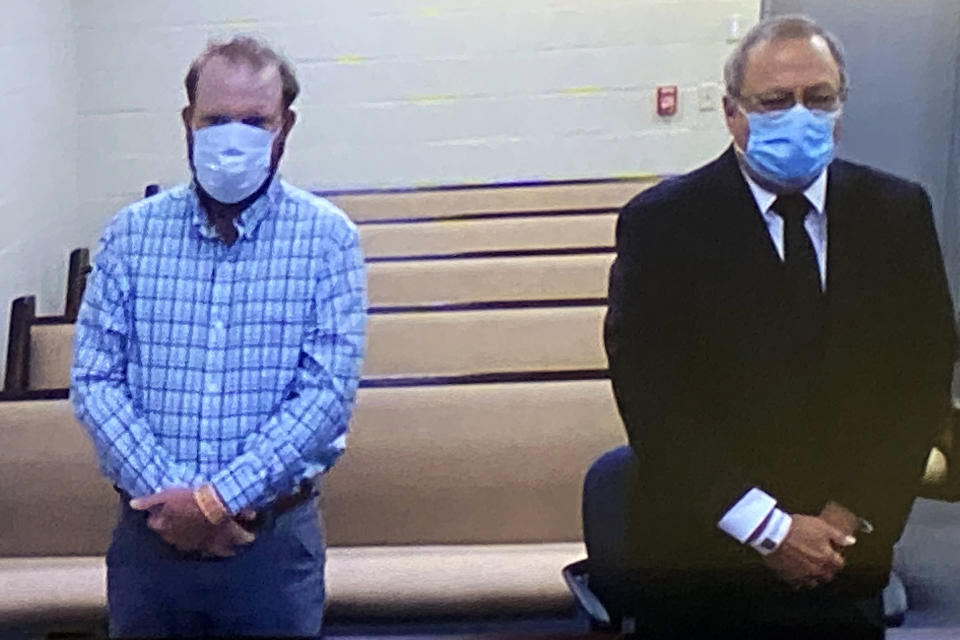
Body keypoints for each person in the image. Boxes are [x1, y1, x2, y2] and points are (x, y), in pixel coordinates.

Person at [604, 14, 957, 639]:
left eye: (818, 98)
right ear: (732, 112)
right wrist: (769, 529)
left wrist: (849, 515)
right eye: (775, 101)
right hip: (705, 560)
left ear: (840, 108)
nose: (800, 115)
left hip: (845, 556)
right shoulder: (662, 225)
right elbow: (653, 397)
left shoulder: (897, 213)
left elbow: (920, 377)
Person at [71, 36, 367, 638]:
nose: (235, 137)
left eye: (255, 121)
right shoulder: (130, 235)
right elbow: (96, 379)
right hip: (148, 545)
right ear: (188, 121)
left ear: (285, 126)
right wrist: (171, 503)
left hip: (272, 548)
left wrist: (212, 504)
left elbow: (324, 395)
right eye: (216, 120)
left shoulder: (328, 240)